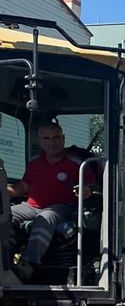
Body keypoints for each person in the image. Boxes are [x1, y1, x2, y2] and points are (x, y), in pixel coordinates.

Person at [7, 120, 95, 280]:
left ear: (63, 138)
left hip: (64, 208)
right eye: (46, 138)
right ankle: (6, 260)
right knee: (8, 214)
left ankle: (29, 263)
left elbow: (90, 187)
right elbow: (23, 187)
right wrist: (4, 190)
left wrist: (85, 190)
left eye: (56, 137)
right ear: (40, 141)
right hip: (32, 206)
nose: (52, 143)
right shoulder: (34, 163)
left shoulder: (77, 163)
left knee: (46, 217)